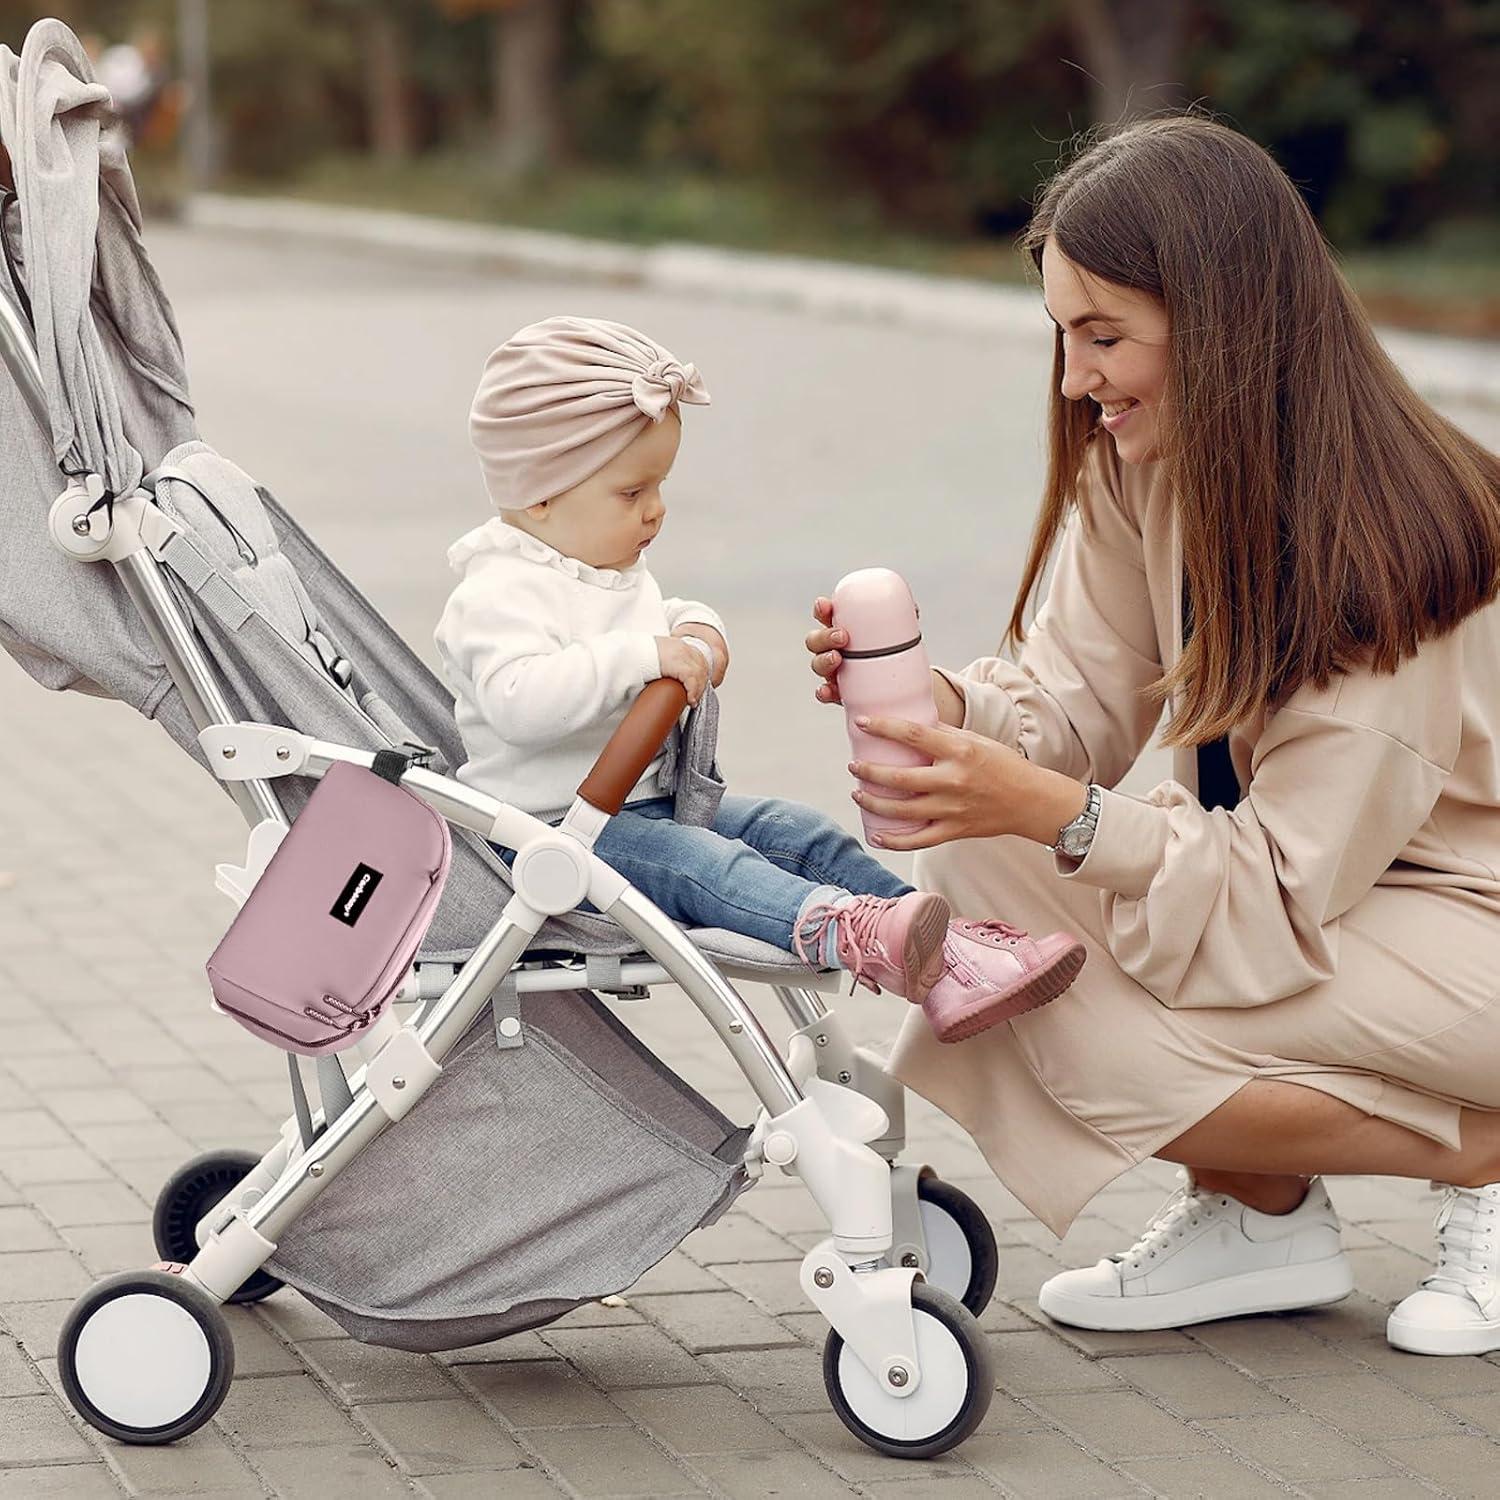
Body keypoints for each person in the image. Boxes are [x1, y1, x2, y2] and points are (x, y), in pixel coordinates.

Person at [806, 115, 1500, 1355]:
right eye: (1065, 335)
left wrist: (1054, 814)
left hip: (1468, 915)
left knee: (1093, 1008)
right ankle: (1264, 1216)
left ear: (1223, 324)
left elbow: (1275, 889)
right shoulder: (1151, 467)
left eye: (1105, 335)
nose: (1076, 379)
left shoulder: (1390, 541)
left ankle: (1491, 1157)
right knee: (982, 901)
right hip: (1328, 894)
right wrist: (949, 718)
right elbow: (1075, 712)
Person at [435, 315, 1086, 1040]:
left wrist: (698, 627)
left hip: (636, 810)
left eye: (659, 486)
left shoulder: (598, 563)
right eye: (632, 493)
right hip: (551, 835)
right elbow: (519, 701)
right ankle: (843, 931)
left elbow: (661, 614)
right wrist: (646, 659)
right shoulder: (496, 594)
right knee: (703, 864)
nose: (657, 509)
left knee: (792, 829)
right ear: (540, 494)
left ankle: (953, 958)